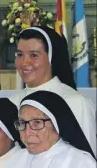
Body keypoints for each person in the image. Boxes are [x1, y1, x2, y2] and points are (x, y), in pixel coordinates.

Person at [10, 26, 96, 155]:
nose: (24, 63)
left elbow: (88, 161)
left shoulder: (75, 102)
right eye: (19, 55)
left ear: (52, 58)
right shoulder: (11, 102)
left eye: (34, 55)